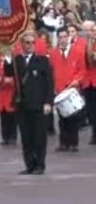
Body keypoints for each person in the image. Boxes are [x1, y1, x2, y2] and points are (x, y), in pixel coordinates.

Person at [14, 32, 54, 175]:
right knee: (26, 137)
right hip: (22, 105)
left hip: (39, 104)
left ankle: (40, 165)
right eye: (27, 43)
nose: (30, 45)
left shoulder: (42, 60)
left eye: (32, 42)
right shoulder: (16, 61)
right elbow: (9, 76)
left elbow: (49, 83)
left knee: (39, 137)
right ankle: (29, 165)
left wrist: (48, 102)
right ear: (22, 44)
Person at [50, 27, 86, 152]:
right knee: (61, 118)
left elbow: (82, 70)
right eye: (60, 37)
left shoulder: (77, 52)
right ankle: (63, 142)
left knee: (73, 117)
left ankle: (73, 143)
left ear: (68, 37)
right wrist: (54, 87)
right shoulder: (53, 54)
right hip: (59, 90)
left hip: (72, 89)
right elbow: (51, 71)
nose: (63, 39)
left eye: (65, 36)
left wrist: (77, 80)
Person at [0, 47, 17, 146]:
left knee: (12, 116)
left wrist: (11, 81)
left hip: (12, 92)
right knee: (4, 116)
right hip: (2, 92)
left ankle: (12, 136)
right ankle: (5, 136)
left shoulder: (16, 60)